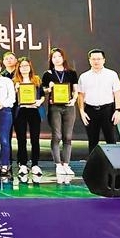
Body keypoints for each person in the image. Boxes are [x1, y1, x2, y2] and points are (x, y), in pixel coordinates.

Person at [77, 49, 120, 154]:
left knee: (111, 139)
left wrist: (118, 110)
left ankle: (113, 163)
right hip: (90, 110)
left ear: (104, 60)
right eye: (93, 59)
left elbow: (117, 93)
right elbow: (81, 95)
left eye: (98, 59)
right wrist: (82, 112)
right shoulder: (84, 76)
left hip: (108, 110)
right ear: (89, 60)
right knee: (92, 140)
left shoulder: (111, 74)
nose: (96, 61)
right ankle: (93, 164)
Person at [41, 48, 78, 177]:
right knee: (57, 135)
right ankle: (58, 164)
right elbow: (42, 91)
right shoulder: (48, 74)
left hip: (69, 107)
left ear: (63, 58)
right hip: (55, 107)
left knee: (68, 136)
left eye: (59, 56)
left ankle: (66, 164)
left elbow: (75, 90)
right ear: (51, 60)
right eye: (54, 57)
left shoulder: (71, 73)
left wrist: (73, 100)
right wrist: (49, 88)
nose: (57, 59)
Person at [13, 57, 45, 177]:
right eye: (22, 66)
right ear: (18, 68)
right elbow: (11, 98)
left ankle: (35, 164)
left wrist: (39, 101)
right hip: (20, 112)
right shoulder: (14, 81)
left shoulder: (36, 79)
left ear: (30, 67)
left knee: (35, 139)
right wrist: (15, 90)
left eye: (26, 65)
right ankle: (23, 164)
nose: (24, 68)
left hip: (34, 111)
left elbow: (42, 95)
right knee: (21, 139)